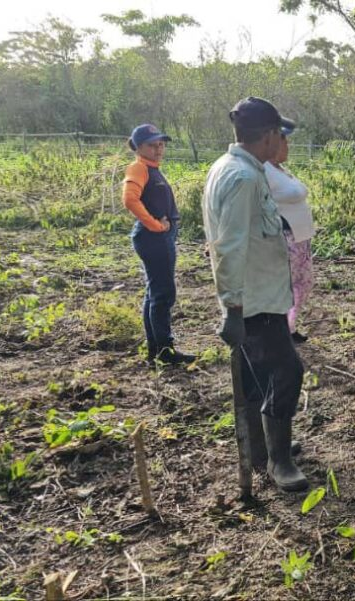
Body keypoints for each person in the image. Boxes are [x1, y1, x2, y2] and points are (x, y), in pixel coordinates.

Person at [202, 97, 307, 492]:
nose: (280, 140)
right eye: (278, 133)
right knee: (287, 371)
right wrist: (232, 308)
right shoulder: (243, 178)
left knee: (257, 377)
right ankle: (279, 463)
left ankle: (261, 452)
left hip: (261, 294)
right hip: (254, 301)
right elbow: (228, 245)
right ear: (266, 135)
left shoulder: (235, 168)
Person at [122, 124, 195, 366]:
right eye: (152, 145)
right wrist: (155, 225)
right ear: (138, 147)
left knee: (154, 292)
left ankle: (156, 348)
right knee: (163, 294)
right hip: (153, 238)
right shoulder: (139, 167)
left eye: (161, 144)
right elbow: (129, 199)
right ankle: (165, 350)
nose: (158, 149)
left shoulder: (152, 169)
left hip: (158, 237)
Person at [265, 125, 315, 344]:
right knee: (286, 287)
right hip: (285, 239)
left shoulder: (280, 169)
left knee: (303, 284)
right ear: (274, 142)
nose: (289, 146)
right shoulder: (263, 170)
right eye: (286, 141)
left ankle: (288, 326)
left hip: (300, 238)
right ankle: (280, 332)